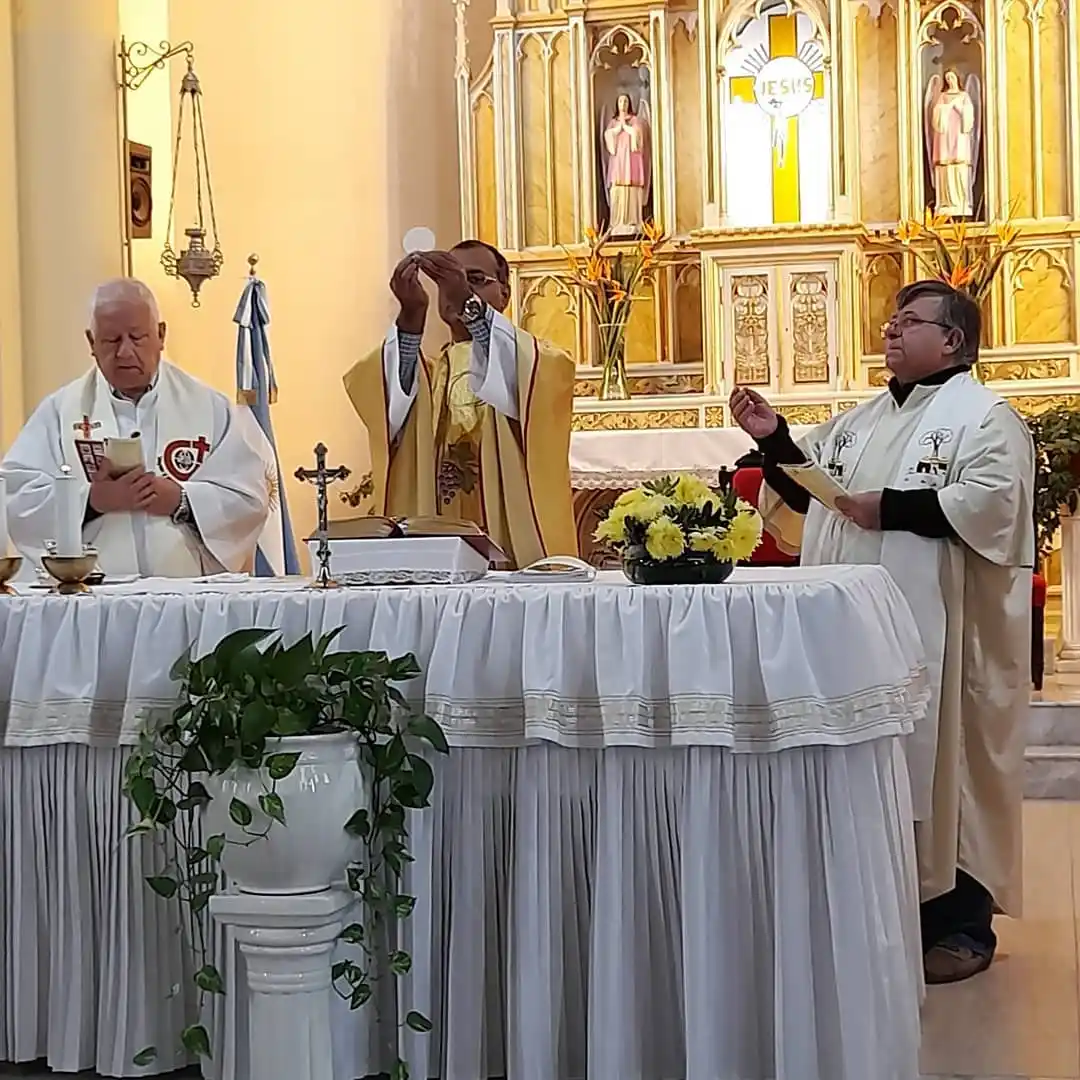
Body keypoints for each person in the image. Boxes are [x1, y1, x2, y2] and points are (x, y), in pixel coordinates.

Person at [730, 279, 1034, 984]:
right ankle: (881, 912)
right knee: (877, 759)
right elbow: (815, 486)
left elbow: (993, 503)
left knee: (949, 761)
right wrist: (773, 437)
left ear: (953, 339)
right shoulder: (860, 420)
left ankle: (961, 925)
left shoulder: (985, 418)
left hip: (944, 632)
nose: (890, 332)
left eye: (908, 322)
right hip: (857, 631)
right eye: (891, 321)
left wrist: (890, 508)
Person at [4, 278, 271, 577]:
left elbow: (249, 497)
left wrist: (181, 500)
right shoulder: (59, 413)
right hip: (92, 602)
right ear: (92, 343)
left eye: (137, 337)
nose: (125, 352)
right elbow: (18, 497)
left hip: (186, 599)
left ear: (161, 334)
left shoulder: (210, 408)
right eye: (112, 340)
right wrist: (92, 500)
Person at [343, 241, 577, 568]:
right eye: (448, 282)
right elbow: (386, 408)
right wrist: (411, 316)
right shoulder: (424, 375)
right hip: (437, 560)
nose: (458, 290)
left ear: (505, 295)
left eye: (475, 280)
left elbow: (529, 388)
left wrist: (468, 304)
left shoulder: (531, 362)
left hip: (512, 555)